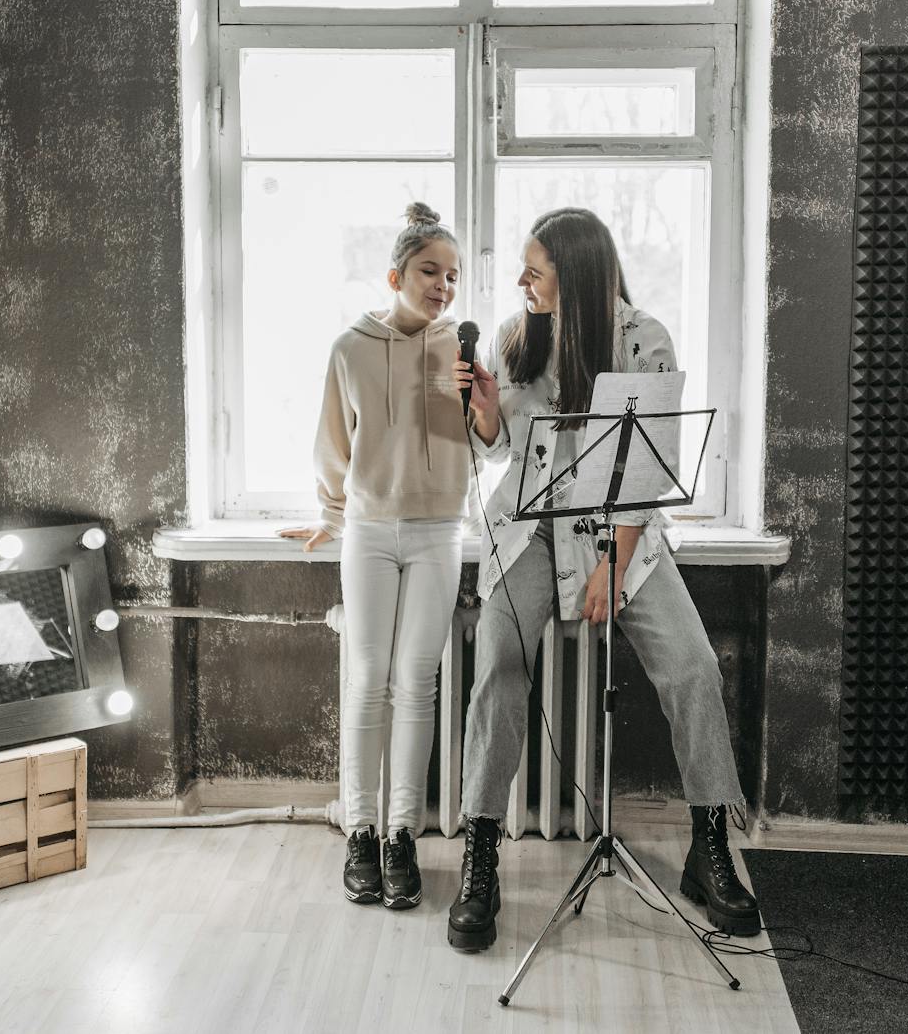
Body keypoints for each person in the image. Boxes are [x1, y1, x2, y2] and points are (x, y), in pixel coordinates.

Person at [448, 207, 761, 950]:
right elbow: (501, 457)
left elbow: (645, 470)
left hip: (620, 534)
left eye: (536, 270)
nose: (520, 281)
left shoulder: (642, 341)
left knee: (694, 668)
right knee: (497, 662)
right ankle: (480, 851)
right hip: (528, 533)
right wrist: (487, 415)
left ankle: (709, 845)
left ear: (578, 274)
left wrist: (613, 570)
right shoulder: (515, 335)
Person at [279, 202, 473, 910]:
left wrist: (477, 399)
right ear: (395, 274)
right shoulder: (349, 348)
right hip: (368, 532)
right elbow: (333, 449)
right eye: (430, 271)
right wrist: (331, 518)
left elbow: (489, 448)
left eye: (452, 275)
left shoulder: (464, 350)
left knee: (416, 681)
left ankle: (401, 837)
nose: (442, 285)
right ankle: (360, 830)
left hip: (439, 532)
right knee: (367, 679)